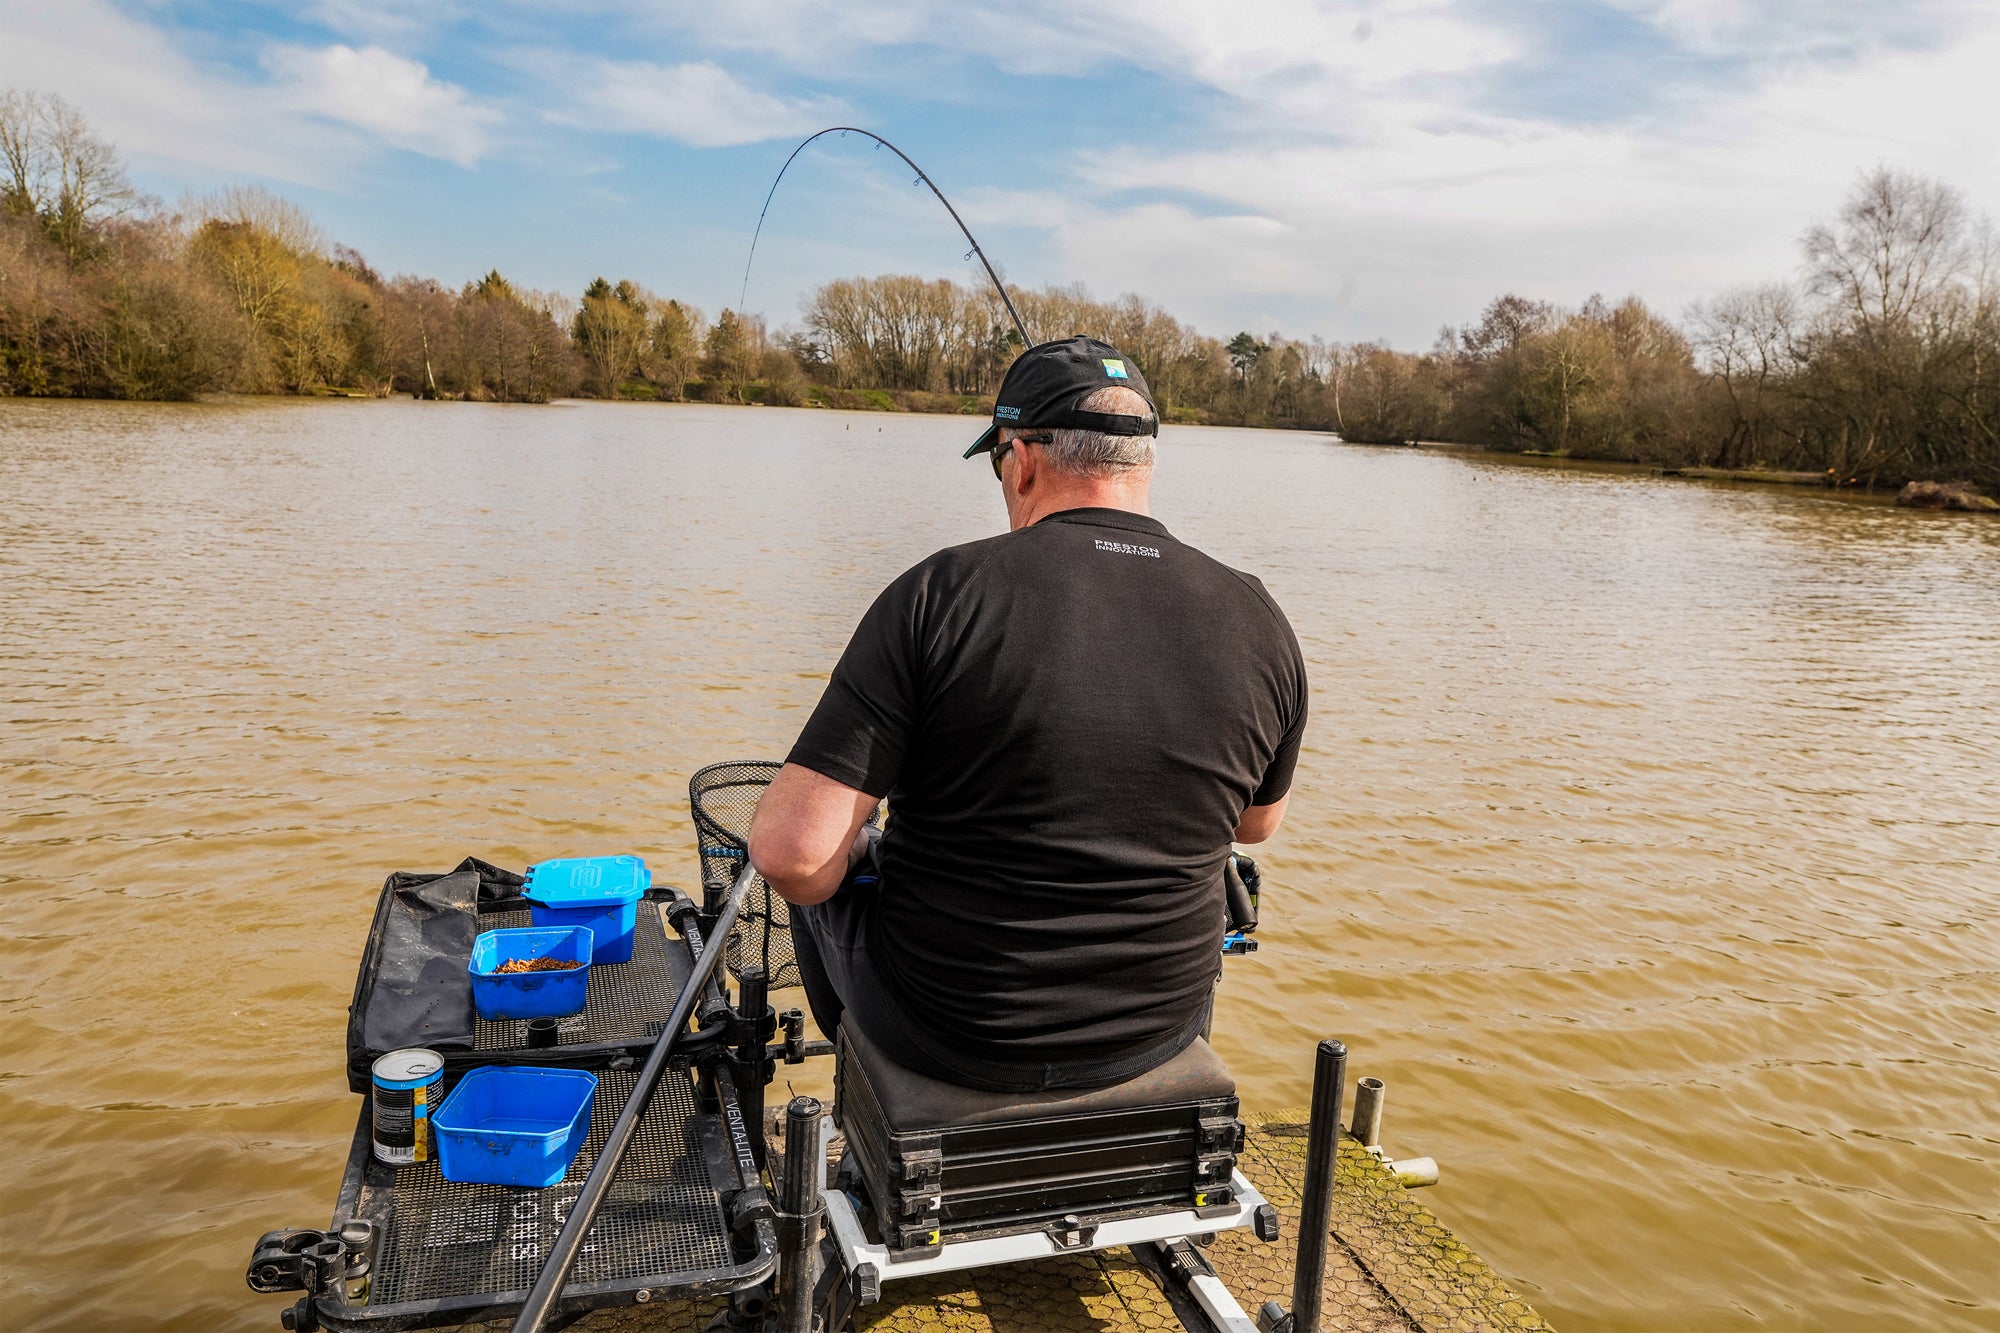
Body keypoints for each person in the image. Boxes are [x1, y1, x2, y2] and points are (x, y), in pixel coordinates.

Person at [746, 335, 1307, 1093]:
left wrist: (857, 850)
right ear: (1140, 463)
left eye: (998, 462)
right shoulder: (1257, 614)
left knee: (830, 868)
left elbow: (790, 856)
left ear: (1025, 457)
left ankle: (866, 1075)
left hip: (945, 1031)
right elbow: (1253, 825)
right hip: (1157, 1030)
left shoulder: (938, 595)